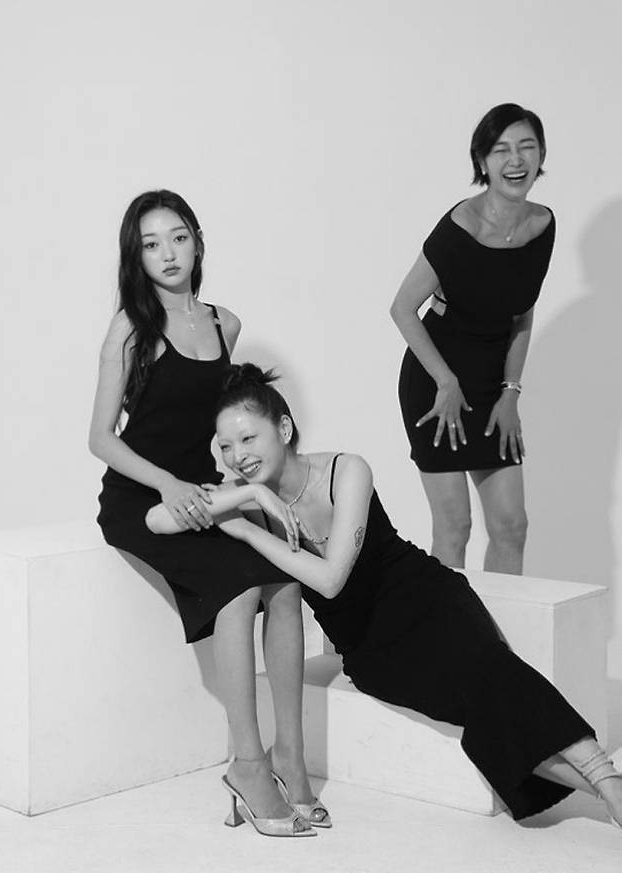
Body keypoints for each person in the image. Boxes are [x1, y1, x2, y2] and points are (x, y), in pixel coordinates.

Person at [157, 362, 621, 826]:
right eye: (226, 446)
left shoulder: (345, 470)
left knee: (489, 671)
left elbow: (331, 579)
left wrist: (248, 532)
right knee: (478, 709)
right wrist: (249, 498)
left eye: (248, 438)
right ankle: (609, 787)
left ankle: (609, 786)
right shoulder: (247, 496)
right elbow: (157, 520)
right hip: (369, 650)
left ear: (283, 428)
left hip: (427, 601)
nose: (238, 456)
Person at [89, 190, 328, 837]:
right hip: (141, 496)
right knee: (238, 583)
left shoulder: (227, 324)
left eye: (178, 237)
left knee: (286, 583)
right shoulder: (131, 327)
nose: (168, 254)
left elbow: (222, 430)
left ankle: (291, 760)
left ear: (197, 241)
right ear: (136, 257)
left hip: (202, 491)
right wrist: (167, 484)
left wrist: (248, 490)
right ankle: (248, 766)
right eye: (151, 244)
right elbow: (101, 438)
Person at [391, 103, 555, 574]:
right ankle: (450, 623)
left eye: (526, 147)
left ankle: (499, 623)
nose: (516, 160)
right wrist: (446, 381)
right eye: (501, 150)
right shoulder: (460, 228)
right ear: (482, 160)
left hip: (492, 386)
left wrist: (511, 393)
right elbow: (402, 308)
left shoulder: (542, 225)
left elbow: (521, 314)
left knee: (512, 526)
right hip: (436, 382)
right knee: (455, 527)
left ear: (541, 155)